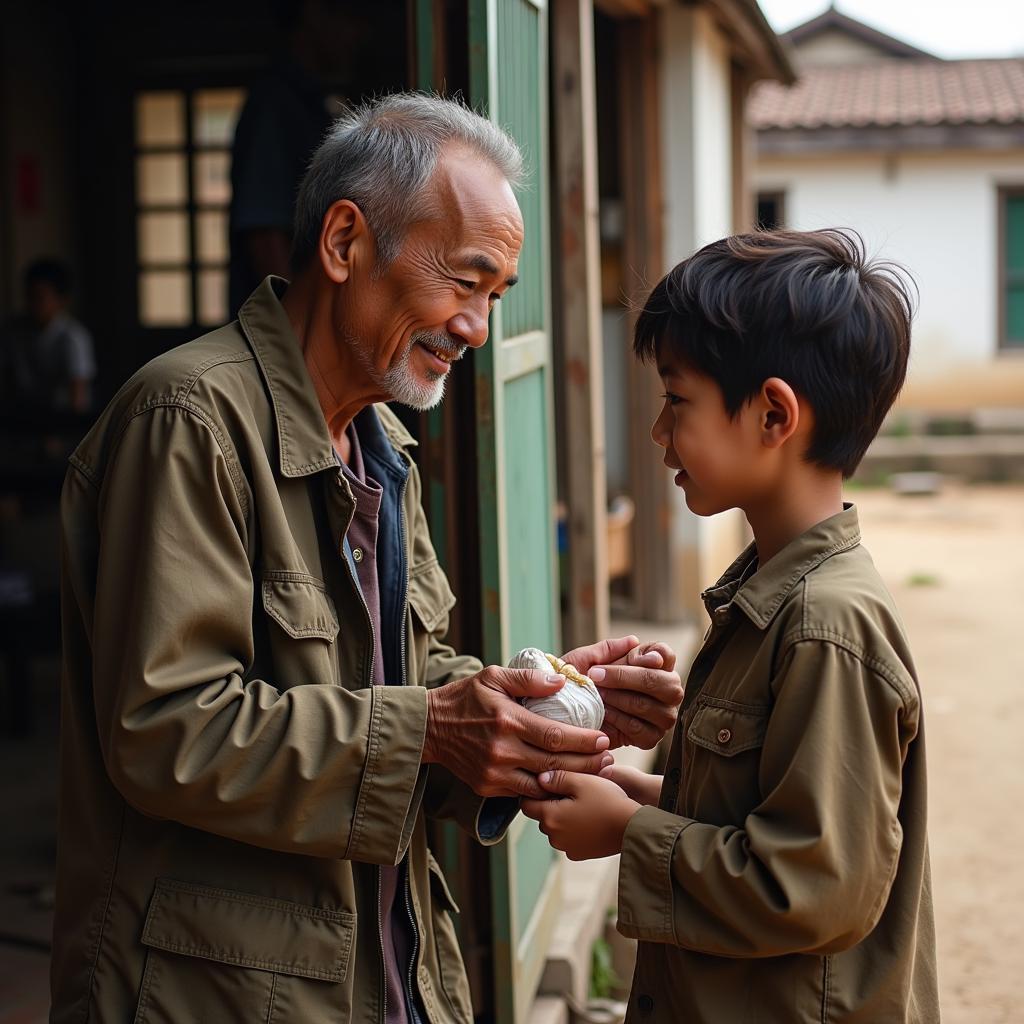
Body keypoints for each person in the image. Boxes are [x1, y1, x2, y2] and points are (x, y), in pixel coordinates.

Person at [50, 93, 684, 1024]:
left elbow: (401, 683)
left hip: (380, 973)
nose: (475, 328)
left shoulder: (381, 445)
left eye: (496, 297)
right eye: (464, 281)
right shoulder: (189, 421)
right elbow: (163, 731)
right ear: (345, 244)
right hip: (210, 991)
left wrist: (533, 711)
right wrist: (433, 728)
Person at [523, 229, 939, 1022]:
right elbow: (763, 818)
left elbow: (814, 887)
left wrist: (632, 836)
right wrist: (639, 795)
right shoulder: (773, 597)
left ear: (773, 413)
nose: (658, 433)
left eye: (677, 401)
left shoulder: (826, 627)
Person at [6, 258, 95, 414]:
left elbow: (78, 396)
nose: (33, 304)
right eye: (29, 296)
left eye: (40, 297)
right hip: (23, 414)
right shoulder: (14, 330)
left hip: (61, 417)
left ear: (62, 300)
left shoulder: (73, 337)